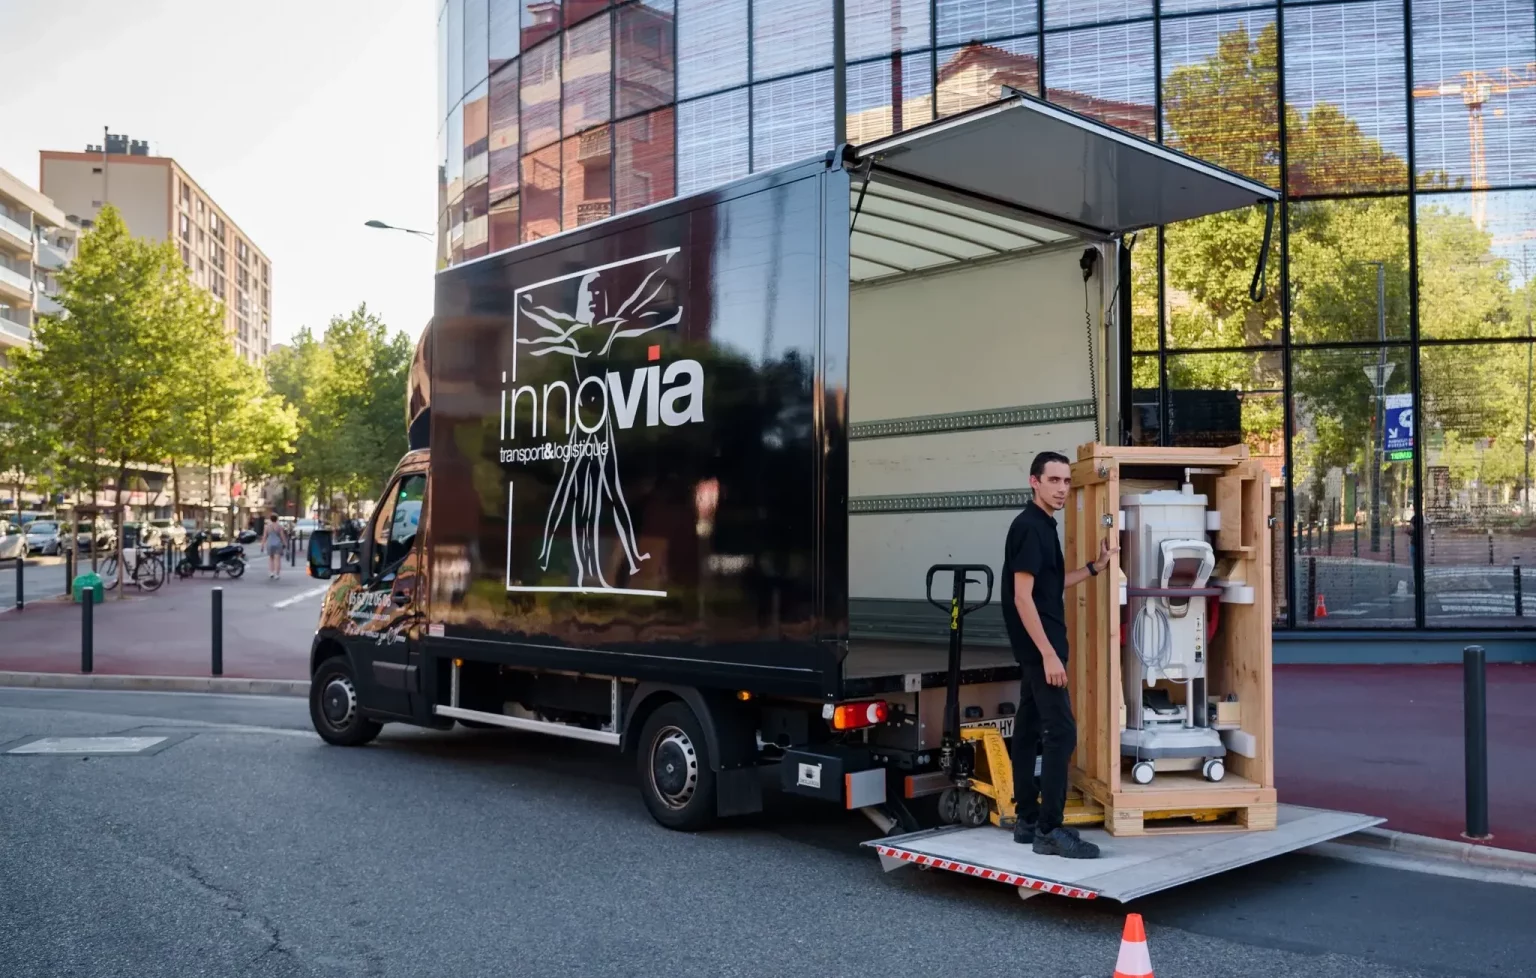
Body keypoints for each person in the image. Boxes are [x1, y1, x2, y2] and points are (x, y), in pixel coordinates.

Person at [1004, 451, 1118, 859]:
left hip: (1039, 647)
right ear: (1034, 481)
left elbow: (1048, 586)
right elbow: (1022, 597)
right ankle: (1049, 830)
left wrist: (1095, 567)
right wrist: (1049, 655)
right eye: (1054, 481)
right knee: (1062, 733)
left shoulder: (1042, 526)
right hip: (1041, 648)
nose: (1062, 489)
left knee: (1030, 728)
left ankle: (1027, 820)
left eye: (1067, 482)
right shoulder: (1031, 528)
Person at [262, 512, 288, 580]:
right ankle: (277, 574)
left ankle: (271, 573)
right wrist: (285, 544)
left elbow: (264, 536)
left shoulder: (267, 527)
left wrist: (262, 545)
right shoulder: (279, 526)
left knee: (271, 558)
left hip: (270, 544)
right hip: (278, 544)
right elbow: (282, 536)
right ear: (277, 519)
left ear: (270, 519)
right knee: (277, 559)